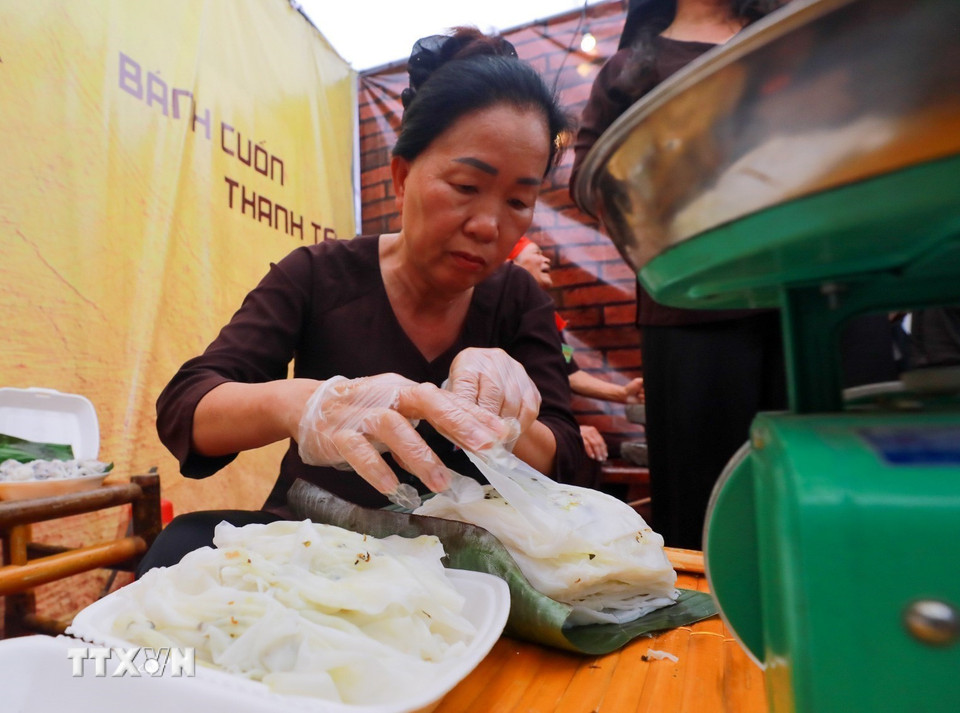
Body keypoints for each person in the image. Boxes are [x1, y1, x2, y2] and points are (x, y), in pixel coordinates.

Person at [140, 27, 584, 573]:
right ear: (401, 175)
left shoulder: (517, 298)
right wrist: (305, 404)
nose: (490, 225)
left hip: (464, 568)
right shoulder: (317, 274)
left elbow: (565, 459)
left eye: (519, 200)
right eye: (467, 186)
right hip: (311, 550)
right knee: (178, 546)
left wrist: (510, 420)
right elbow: (187, 407)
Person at [569, 0, 896, 549]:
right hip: (696, 300)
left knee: (854, 482)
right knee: (712, 505)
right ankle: (715, 632)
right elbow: (593, 176)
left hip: (830, 283)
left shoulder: (801, 29)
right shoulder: (632, 67)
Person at [508, 235, 643, 463]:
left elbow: (569, 373)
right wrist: (566, 430)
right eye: (537, 253)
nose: (546, 260)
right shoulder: (503, 313)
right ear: (510, 265)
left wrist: (622, 394)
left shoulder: (550, 318)